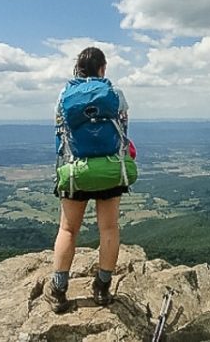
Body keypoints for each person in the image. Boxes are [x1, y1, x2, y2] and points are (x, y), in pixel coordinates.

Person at [45, 47, 129, 313]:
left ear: (77, 68)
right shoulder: (115, 95)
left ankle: (58, 291)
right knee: (109, 229)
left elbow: (60, 131)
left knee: (68, 230)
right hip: (109, 169)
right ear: (103, 68)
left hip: (76, 171)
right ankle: (102, 289)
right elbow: (124, 129)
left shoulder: (64, 96)